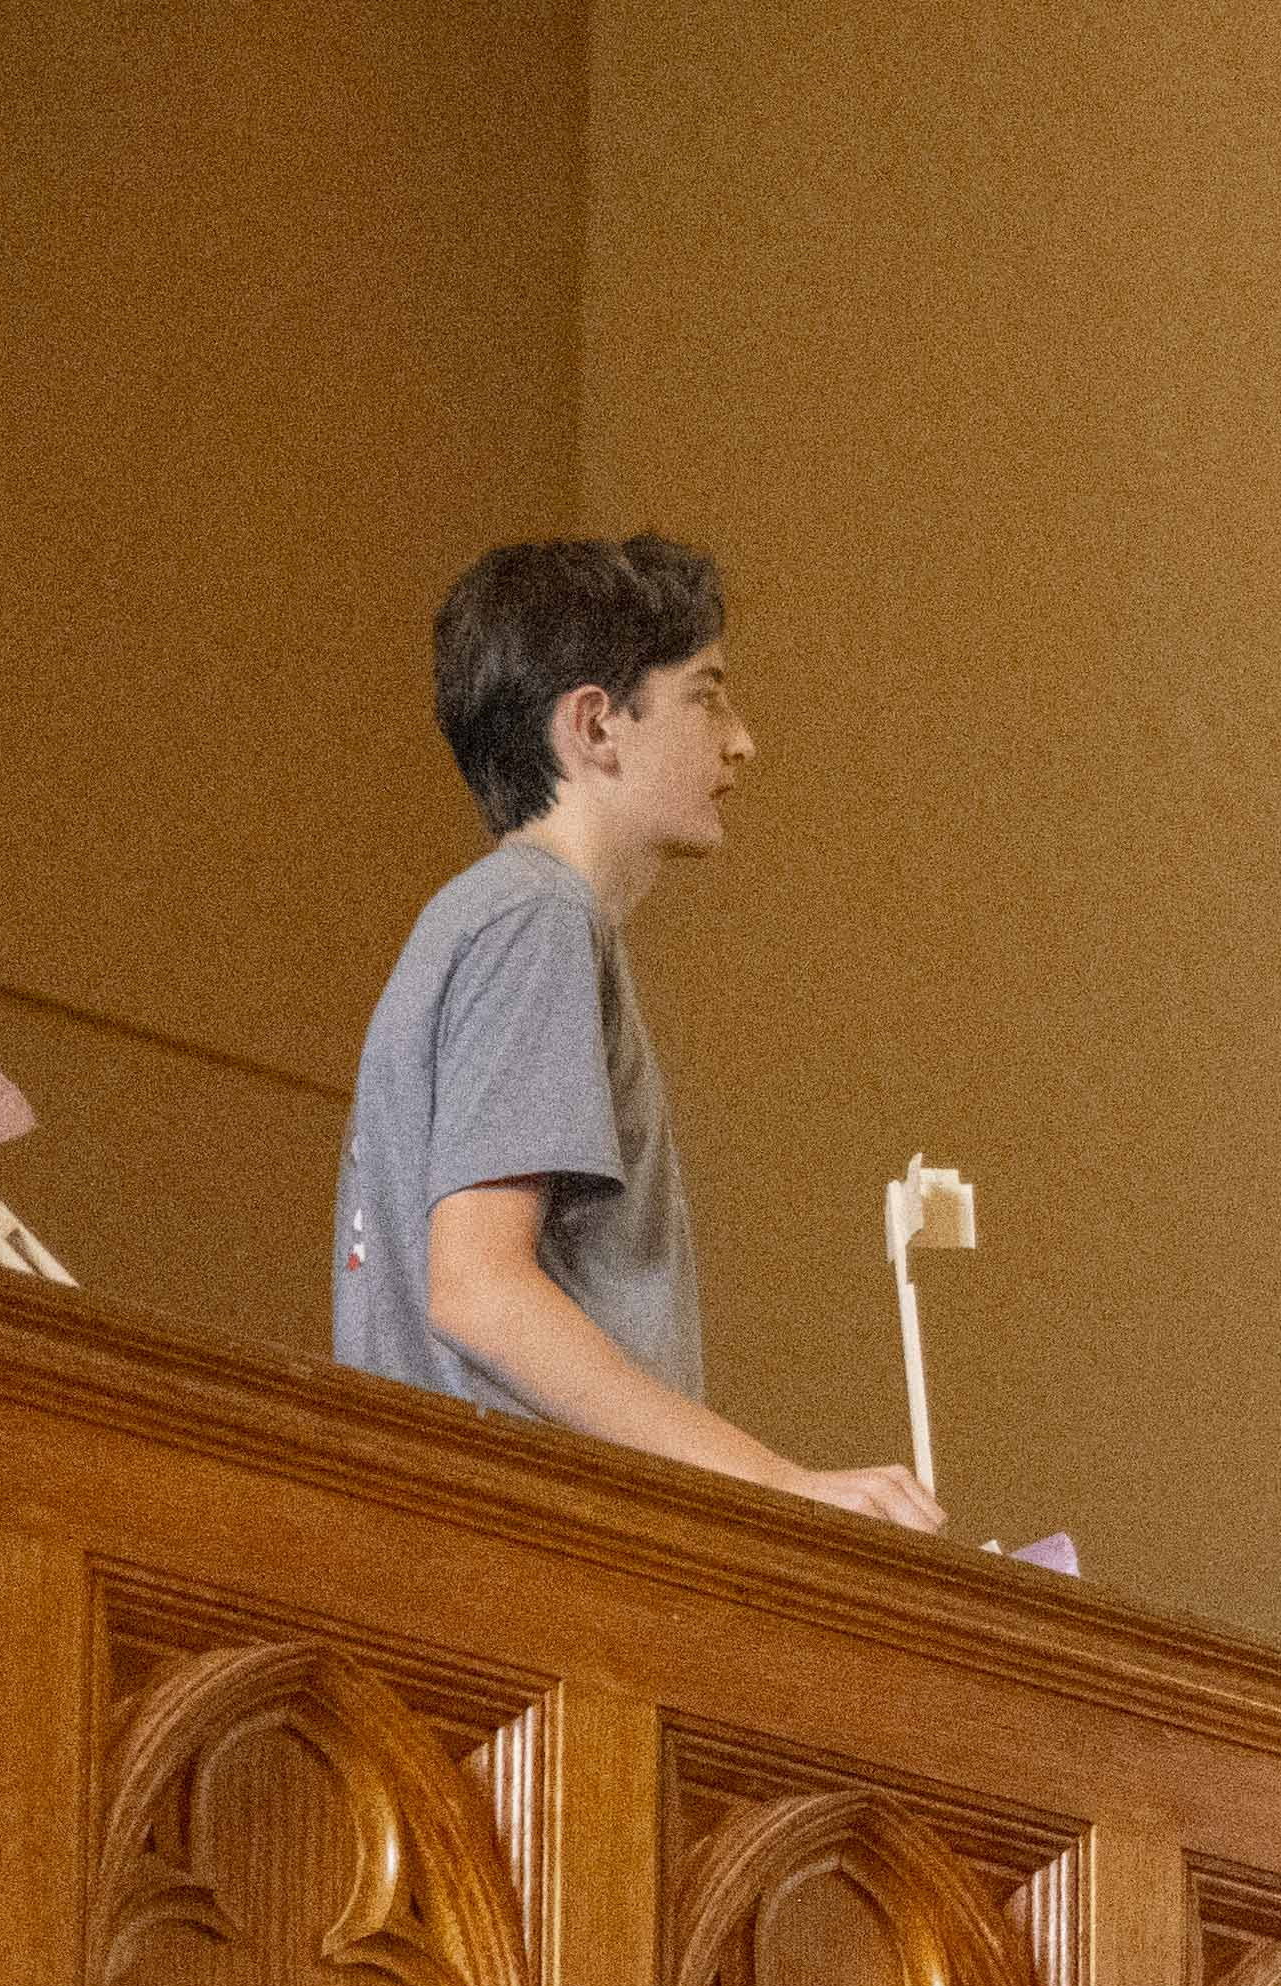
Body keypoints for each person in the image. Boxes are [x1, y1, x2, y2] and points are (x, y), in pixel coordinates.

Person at [332, 530, 939, 1527]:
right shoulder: (536, 918)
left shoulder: (485, 919)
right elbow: (479, 1290)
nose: (742, 740)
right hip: (519, 1559)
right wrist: (779, 1487)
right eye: (706, 694)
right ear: (597, 729)